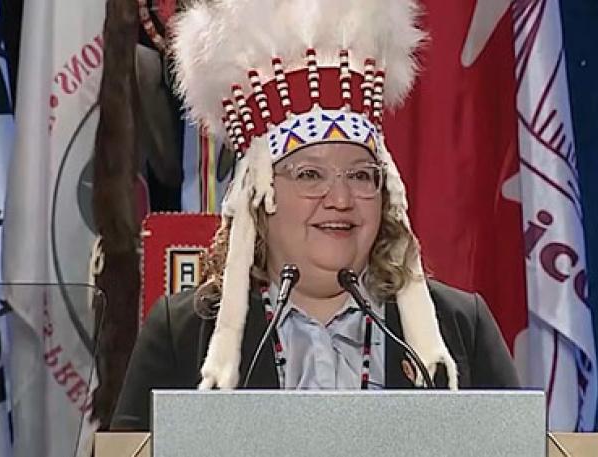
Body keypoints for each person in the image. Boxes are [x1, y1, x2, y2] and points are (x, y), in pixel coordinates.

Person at [111, 0, 519, 431]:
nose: (341, 198)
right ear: (258, 195)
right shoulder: (184, 335)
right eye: (310, 175)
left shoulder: (460, 329)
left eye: (362, 176)